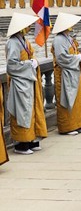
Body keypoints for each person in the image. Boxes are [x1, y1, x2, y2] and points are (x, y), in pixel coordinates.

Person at [5, 13, 48, 154]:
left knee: (32, 109)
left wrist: (32, 62)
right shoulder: (12, 42)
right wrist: (30, 63)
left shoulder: (24, 40)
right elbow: (12, 65)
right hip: (20, 82)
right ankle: (21, 144)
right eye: (28, 25)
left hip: (29, 81)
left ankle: (32, 138)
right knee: (22, 111)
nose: (30, 27)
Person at [52, 12, 81, 135]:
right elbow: (61, 57)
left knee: (76, 99)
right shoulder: (59, 39)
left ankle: (77, 123)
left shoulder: (68, 37)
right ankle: (67, 126)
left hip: (74, 72)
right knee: (67, 98)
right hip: (65, 73)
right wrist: (76, 58)